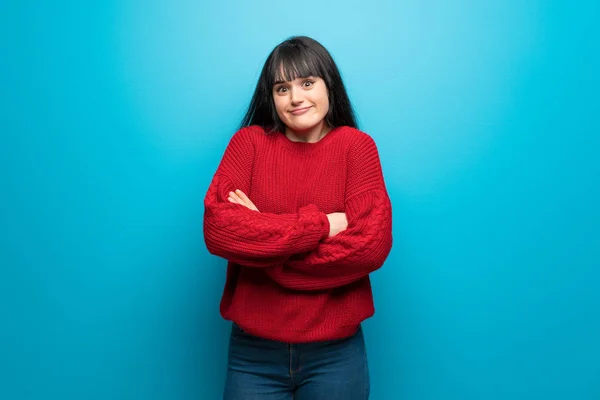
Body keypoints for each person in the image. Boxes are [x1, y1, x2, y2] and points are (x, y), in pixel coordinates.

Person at [203, 35, 393, 400]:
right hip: (253, 355)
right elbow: (218, 229)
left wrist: (266, 247)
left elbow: (370, 246)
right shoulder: (249, 144)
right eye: (282, 88)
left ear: (329, 85)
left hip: (336, 355)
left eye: (307, 83)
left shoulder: (357, 148)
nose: (296, 98)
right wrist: (320, 226)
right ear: (271, 98)